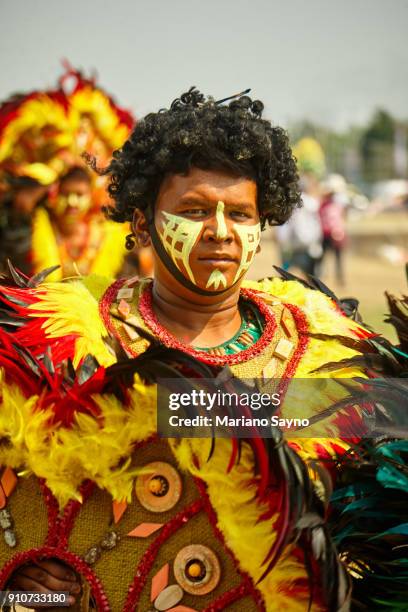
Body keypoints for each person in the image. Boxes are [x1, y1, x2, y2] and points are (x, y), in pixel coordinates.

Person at [0, 88, 403, 611]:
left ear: (262, 227)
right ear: (142, 223)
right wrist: (19, 594)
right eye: (192, 210)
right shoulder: (58, 338)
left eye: (239, 214)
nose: (219, 231)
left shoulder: (336, 352)